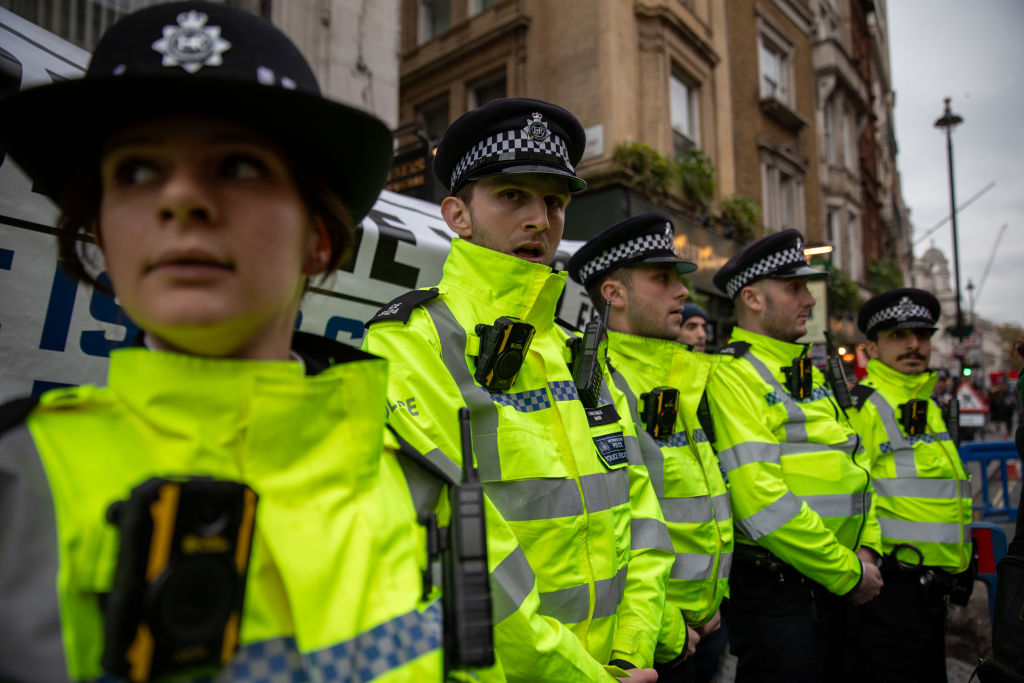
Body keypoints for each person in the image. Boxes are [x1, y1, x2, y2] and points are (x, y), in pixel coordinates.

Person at [0, 3, 442, 681]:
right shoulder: (16, 487)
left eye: (236, 166)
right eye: (137, 172)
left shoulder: (412, 480)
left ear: (318, 236)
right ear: (102, 233)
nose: (180, 199)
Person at [362, 98, 677, 682]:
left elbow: (641, 511)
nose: (541, 219)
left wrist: (633, 649)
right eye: (512, 196)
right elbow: (461, 559)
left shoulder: (576, 353)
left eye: (555, 202)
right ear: (456, 215)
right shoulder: (412, 344)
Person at [704, 229, 883, 682]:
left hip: (830, 583)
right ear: (753, 298)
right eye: (794, 288)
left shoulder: (805, 371)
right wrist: (850, 571)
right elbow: (760, 500)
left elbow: (855, 465)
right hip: (783, 592)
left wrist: (867, 549)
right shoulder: (733, 374)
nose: (809, 299)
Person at [567, 213, 734, 683]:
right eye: (662, 278)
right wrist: (664, 626)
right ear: (614, 294)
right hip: (654, 639)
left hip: (707, 620)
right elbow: (608, 526)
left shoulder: (679, 372)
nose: (683, 291)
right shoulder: (592, 380)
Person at [846, 288, 973, 682]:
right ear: (872, 347)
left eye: (922, 334)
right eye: (898, 336)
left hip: (933, 590)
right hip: (892, 588)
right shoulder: (864, 406)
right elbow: (849, 493)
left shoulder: (930, 404)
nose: (914, 344)